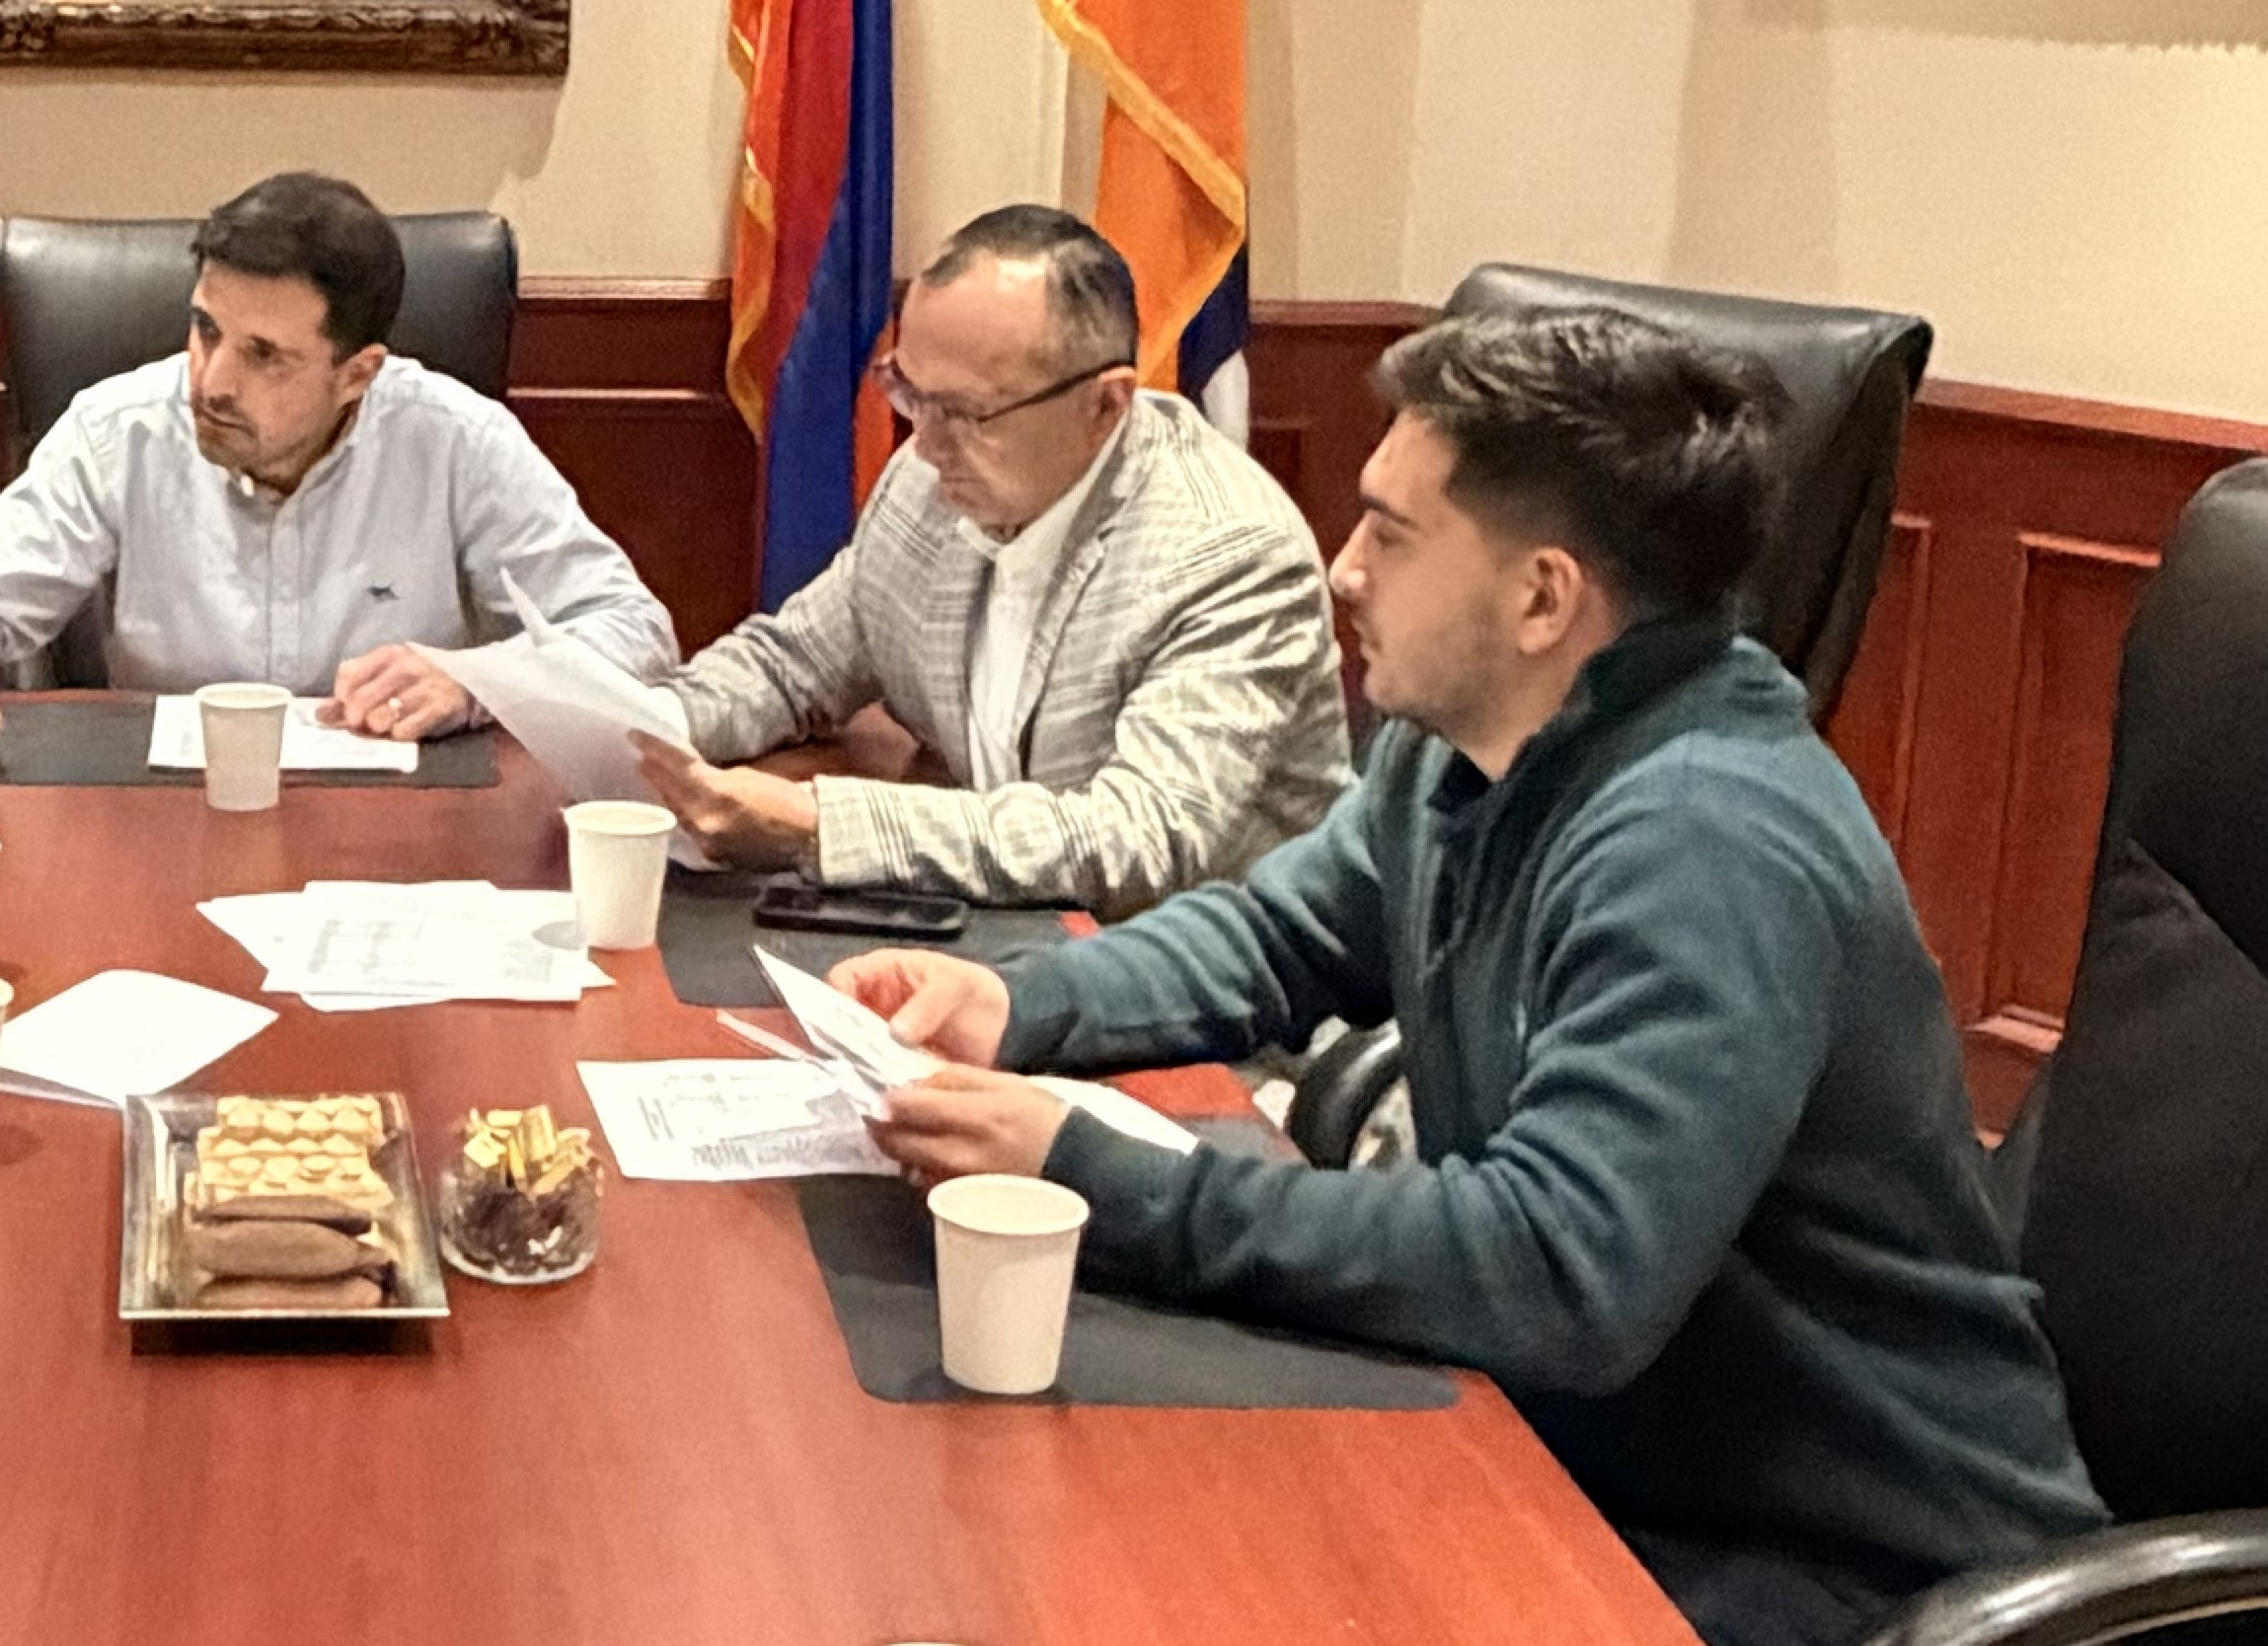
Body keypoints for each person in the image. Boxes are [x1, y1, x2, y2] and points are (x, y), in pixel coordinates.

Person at [835, 305, 2105, 1646]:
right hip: (1597, 1464)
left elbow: (1554, 1272)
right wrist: (1016, 1001)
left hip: (1843, 1567)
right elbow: (1274, 937)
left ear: (1541, 595)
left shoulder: (1703, 838)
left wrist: (1095, 1175)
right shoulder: (1463, 743)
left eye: (1388, 532)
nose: (1339, 569)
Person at [630, 207, 1347, 910]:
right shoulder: (929, 483)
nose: (926, 444)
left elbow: (1137, 840)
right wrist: (643, 725)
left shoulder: (1227, 555)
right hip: (998, 931)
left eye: (968, 415)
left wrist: (819, 824)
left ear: (1105, 405)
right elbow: (795, 662)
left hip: (1198, 980)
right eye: (909, 392)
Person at [0, 171, 672, 771]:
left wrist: (477, 681)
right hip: (160, 824)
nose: (212, 382)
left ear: (358, 374)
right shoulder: (120, 431)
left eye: (264, 357)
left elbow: (634, 632)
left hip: (407, 839)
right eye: (205, 330)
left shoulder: (456, 440)